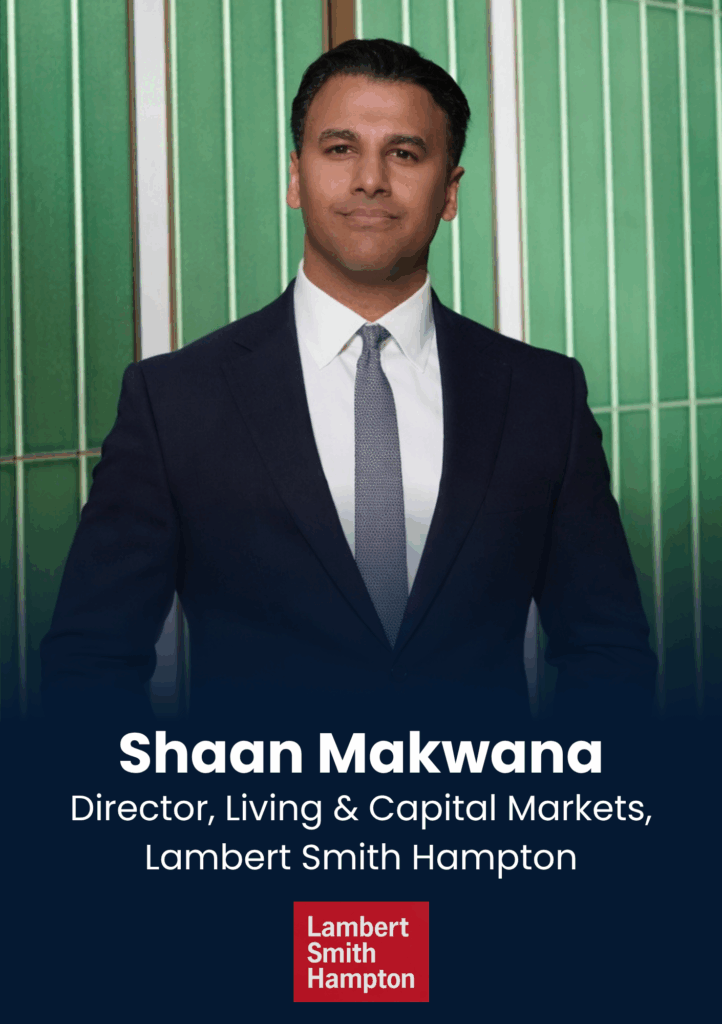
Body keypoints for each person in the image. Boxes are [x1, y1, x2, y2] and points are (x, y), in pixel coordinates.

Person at [41, 38, 656, 711]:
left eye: (404, 153)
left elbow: (607, 650)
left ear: (449, 190)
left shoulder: (545, 396)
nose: (370, 179)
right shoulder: (174, 402)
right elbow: (92, 661)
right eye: (339, 149)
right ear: (295, 177)